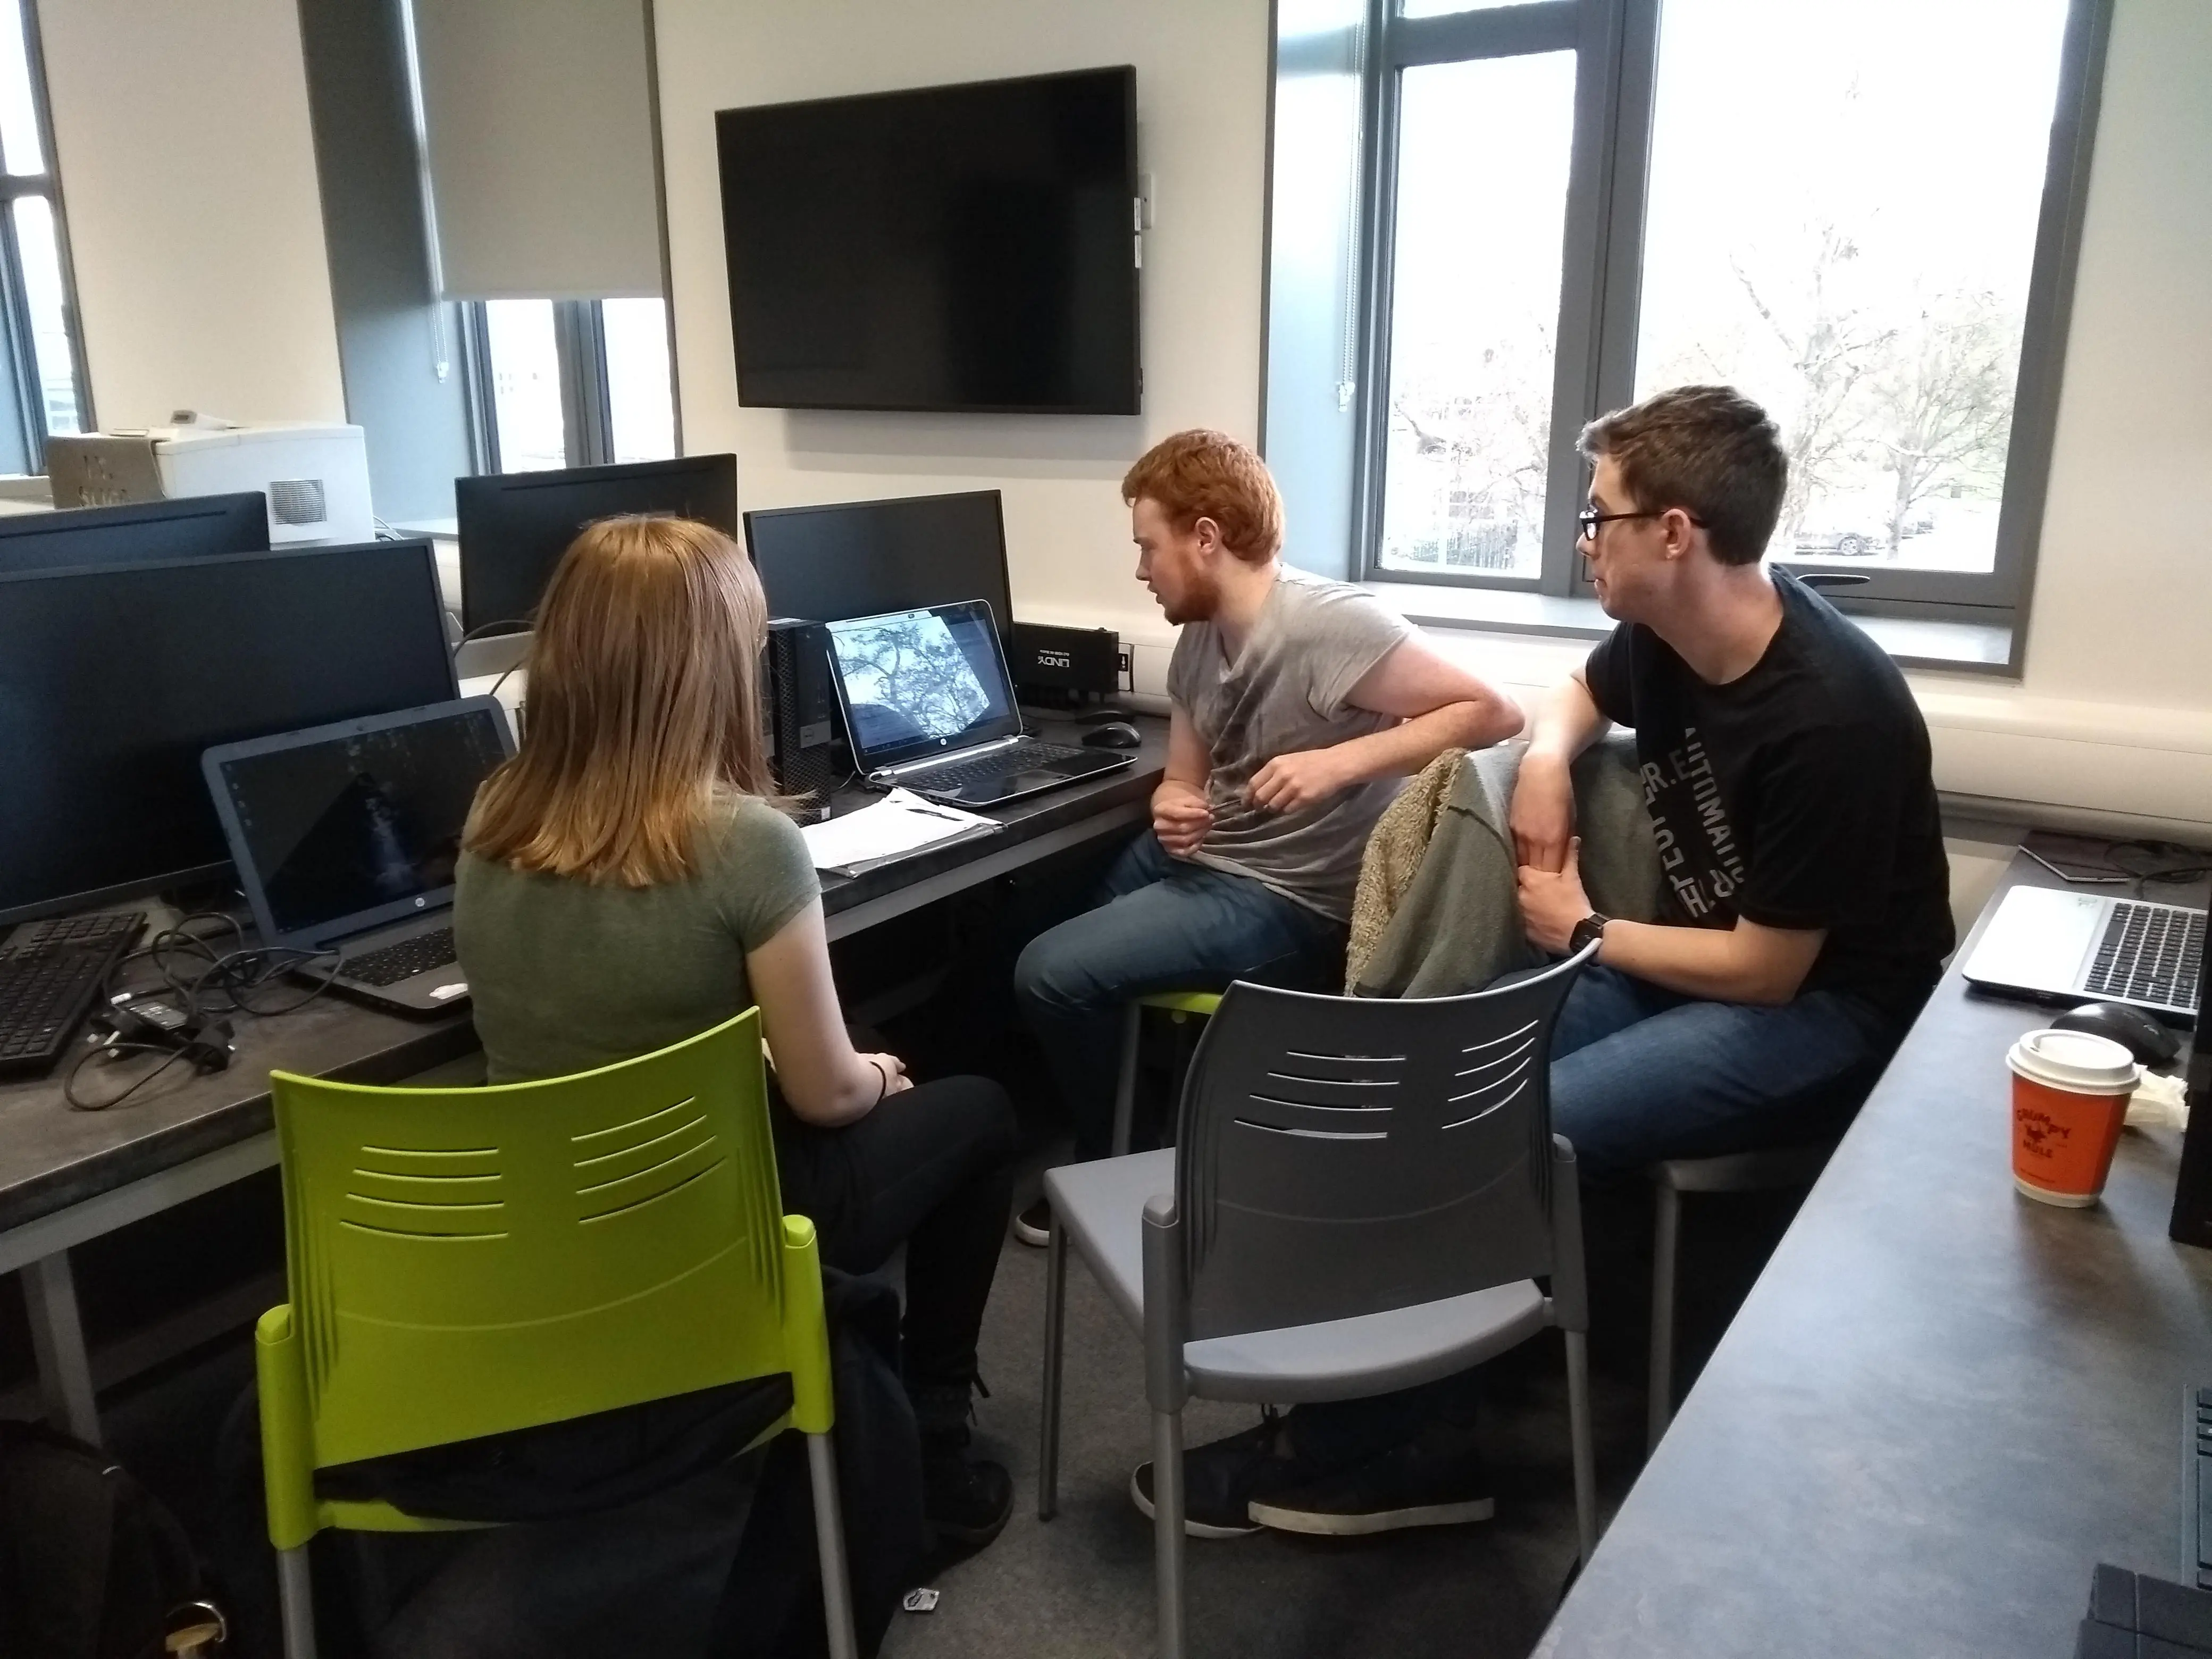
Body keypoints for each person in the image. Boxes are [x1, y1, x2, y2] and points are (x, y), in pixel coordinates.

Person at [1143, 386, 1954, 1540]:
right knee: (1445, 1067)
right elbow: (1578, 691)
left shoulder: (1834, 716)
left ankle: (1383, 1450)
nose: (1582, 541)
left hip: (1828, 1009)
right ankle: (1428, 1365)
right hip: (1693, 963)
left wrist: (1582, 929)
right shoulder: (1675, 636)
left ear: (1674, 534)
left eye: (1598, 517)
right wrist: (1543, 761)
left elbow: (1771, 972)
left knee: (1524, 1122)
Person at [452, 515, 1020, 1550]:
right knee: (978, 1114)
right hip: (714, 1220)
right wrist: (880, 1073)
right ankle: (934, 1443)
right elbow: (823, 1096)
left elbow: (618, 1007)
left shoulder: (495, 813)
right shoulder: (747, 844)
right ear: (711, 670)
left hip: (550, 1220)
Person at [1011, 429, 1523, 1243]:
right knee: (1022, 918)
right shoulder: (1200, 636)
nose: (1142, 570)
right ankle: (1141, 1132)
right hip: (1208, 859)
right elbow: (1184, 775)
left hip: (1287, 897)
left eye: (1149, 547)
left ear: (1205, 537)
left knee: (1050, 974)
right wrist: (1173, 805)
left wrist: (1342, 763)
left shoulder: (1330, 626)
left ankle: (1113, 1158)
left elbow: (1494, 713)